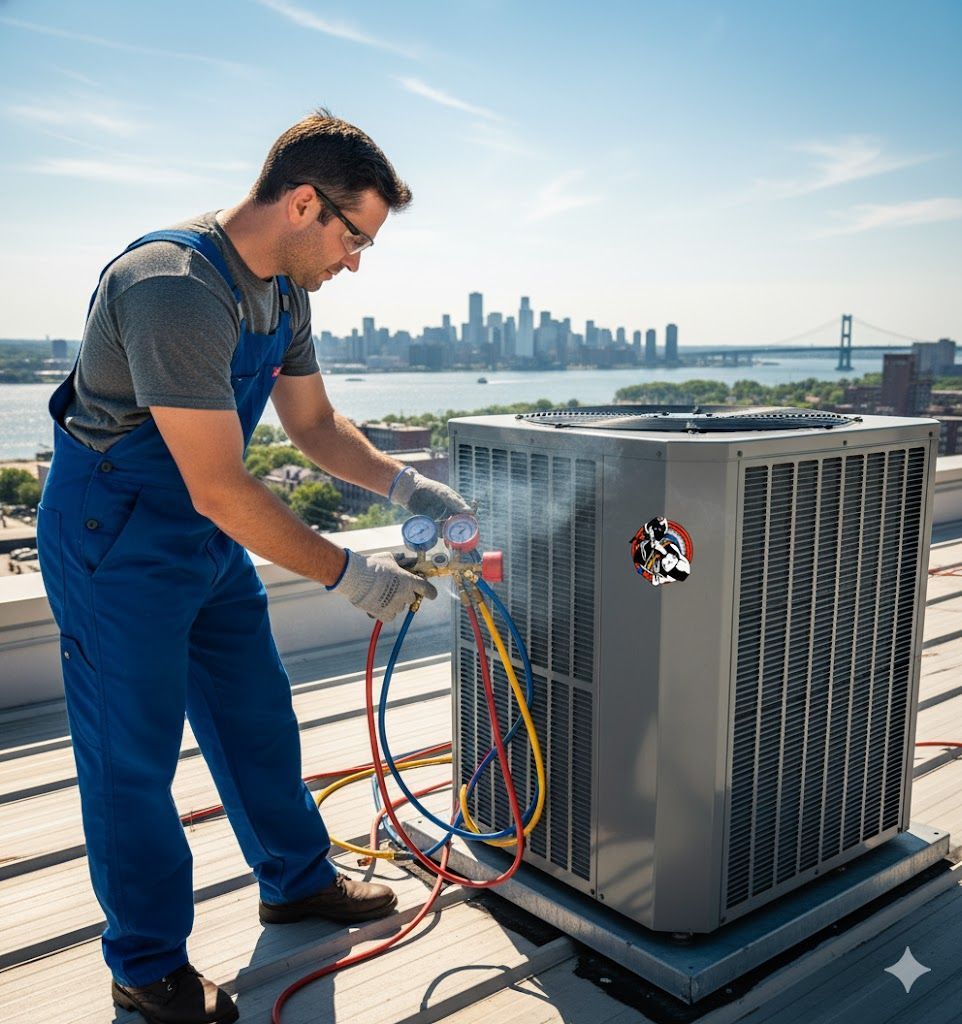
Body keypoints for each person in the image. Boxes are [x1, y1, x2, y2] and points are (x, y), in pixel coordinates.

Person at [36, 109, 470, 1024]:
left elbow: (314, 429)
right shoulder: (173, 285)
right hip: (116, 529)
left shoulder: (285, 291)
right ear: (305, 203)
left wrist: (413, 489)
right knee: (133, 756)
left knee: (255, 713)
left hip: (200, 527)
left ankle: (295, 879)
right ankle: (146, 963)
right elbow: (219, 484)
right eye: (356, 236)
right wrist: (349, 574)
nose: (357, 260)